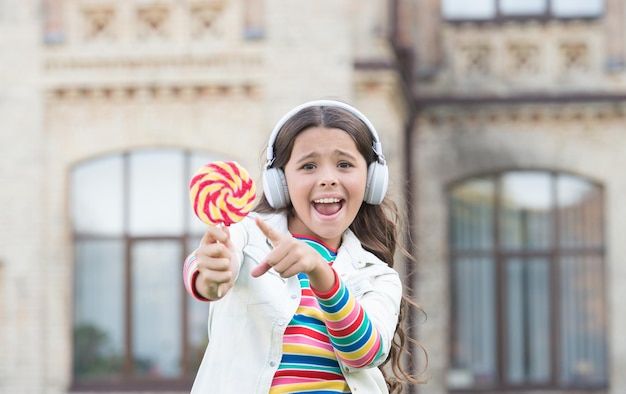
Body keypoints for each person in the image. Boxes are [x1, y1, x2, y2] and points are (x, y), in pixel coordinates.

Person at [183, 99, 424, 393]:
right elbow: (210, 269)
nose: (327, 180)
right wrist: (211, 276)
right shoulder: (248, 235)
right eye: (308, 165)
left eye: (344, 164)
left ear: (372, 179)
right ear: (280, 182)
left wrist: (320, 272)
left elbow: (364, 353)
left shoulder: (378, 276)